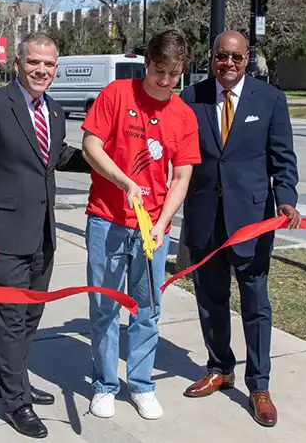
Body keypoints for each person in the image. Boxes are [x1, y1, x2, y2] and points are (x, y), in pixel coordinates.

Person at [0, 32, 91, 439]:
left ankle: (13, 381)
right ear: (17, 63)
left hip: (43, 235)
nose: (41, 71)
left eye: (49, 65)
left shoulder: (53, 109)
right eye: (34, 62)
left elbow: (55, 155)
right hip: (3, 236)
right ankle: (16, 403)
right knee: (11, 320)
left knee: (31, 317)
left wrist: (97, 160)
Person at [178, 30, 301, 428]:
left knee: (255, 303)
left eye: (236, 57)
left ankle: (259, 384)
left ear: (248, 59)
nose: (228, 64)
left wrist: (287, 199)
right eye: (220, 57)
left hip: (251, 220)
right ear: (211, 58)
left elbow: (283, 159)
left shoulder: (270, 100)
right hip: (203, 217)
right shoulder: (190, 98)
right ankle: (220, 368)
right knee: (210, 299)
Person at [80, 28, 202, 420]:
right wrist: (124, 182)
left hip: (153, 230)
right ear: (147, 62)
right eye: (159, 71)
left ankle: (142, 384)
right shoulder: (117, 94)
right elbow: (90, 146)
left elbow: (181, 177)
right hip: (108, 219)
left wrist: (162, 224)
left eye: (173, 74)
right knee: (104, 306)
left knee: (147, 309)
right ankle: (104, 384)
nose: (165, 81)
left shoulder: (183, 116)